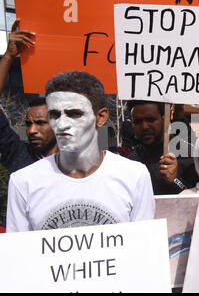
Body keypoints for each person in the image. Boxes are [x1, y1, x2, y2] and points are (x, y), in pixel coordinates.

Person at [6, 71, 155, 232]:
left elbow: (143, 251)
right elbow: (19, 255)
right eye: (55, 115)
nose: (62, 124)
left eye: (74, 114)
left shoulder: (134, 176)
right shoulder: (23, 183)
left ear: (101, 117)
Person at [0, 19, 57, 173]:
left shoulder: (79, 167)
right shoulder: (21, 158)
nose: (32, 130)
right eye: (28, 124)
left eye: (40, 122)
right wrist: (8, 56)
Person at [127, 100, 199, 195]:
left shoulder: (189, 154)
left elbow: (198, 199)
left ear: (165, 119)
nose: (144, 126)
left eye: (151, 120)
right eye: (137, 121)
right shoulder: (131, 160)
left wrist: (175, 180)